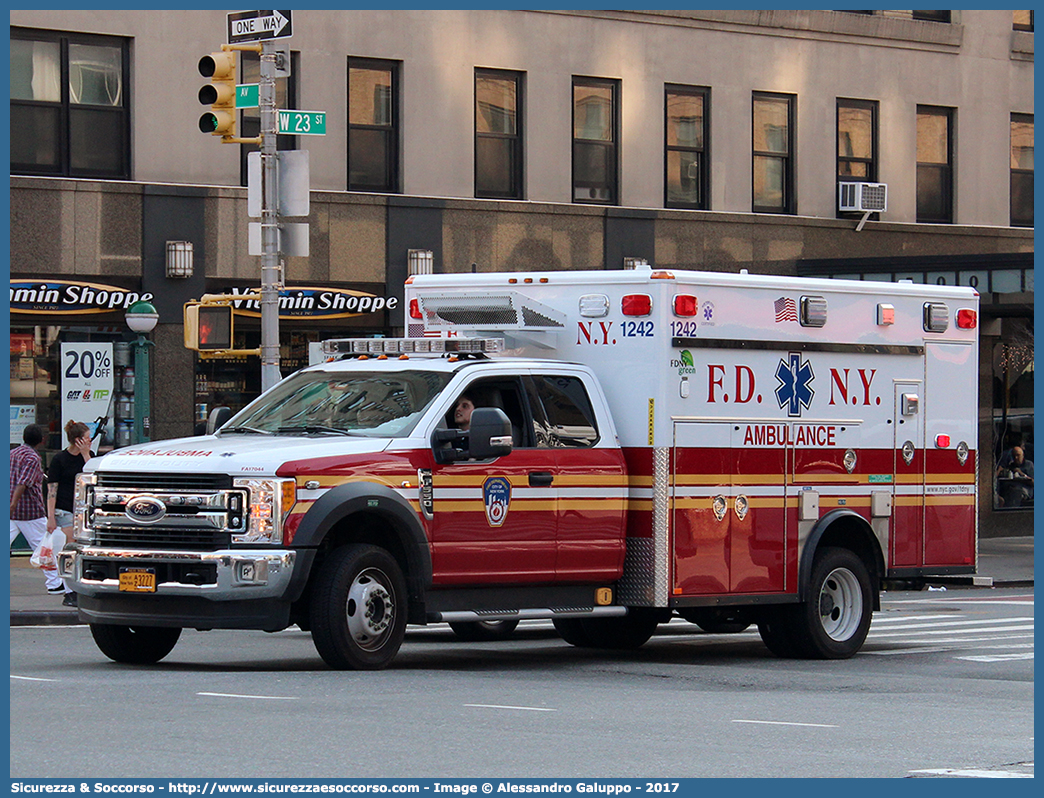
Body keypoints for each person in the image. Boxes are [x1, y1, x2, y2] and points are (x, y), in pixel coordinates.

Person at [46, 420, 97, 606]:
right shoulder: (60, 459)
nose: (90, 442)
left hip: (81, 509)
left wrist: (85, 454)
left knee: (78, 550)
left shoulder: (88, 456)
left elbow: (94, 475)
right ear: (78, 440)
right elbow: (52, 489)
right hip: (64, 508)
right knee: (71, 547)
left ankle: (74, 589)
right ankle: (69, 591)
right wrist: (51, 516)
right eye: (87, 439)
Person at [9, 424, 64, 595]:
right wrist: (13, 504)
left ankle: (55, 582)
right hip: (29, 512)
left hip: (12, 512)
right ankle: (55, 583)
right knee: (44, 548)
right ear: (42, 440)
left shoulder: (12, 454)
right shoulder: (33, 458)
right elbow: (23, 483)